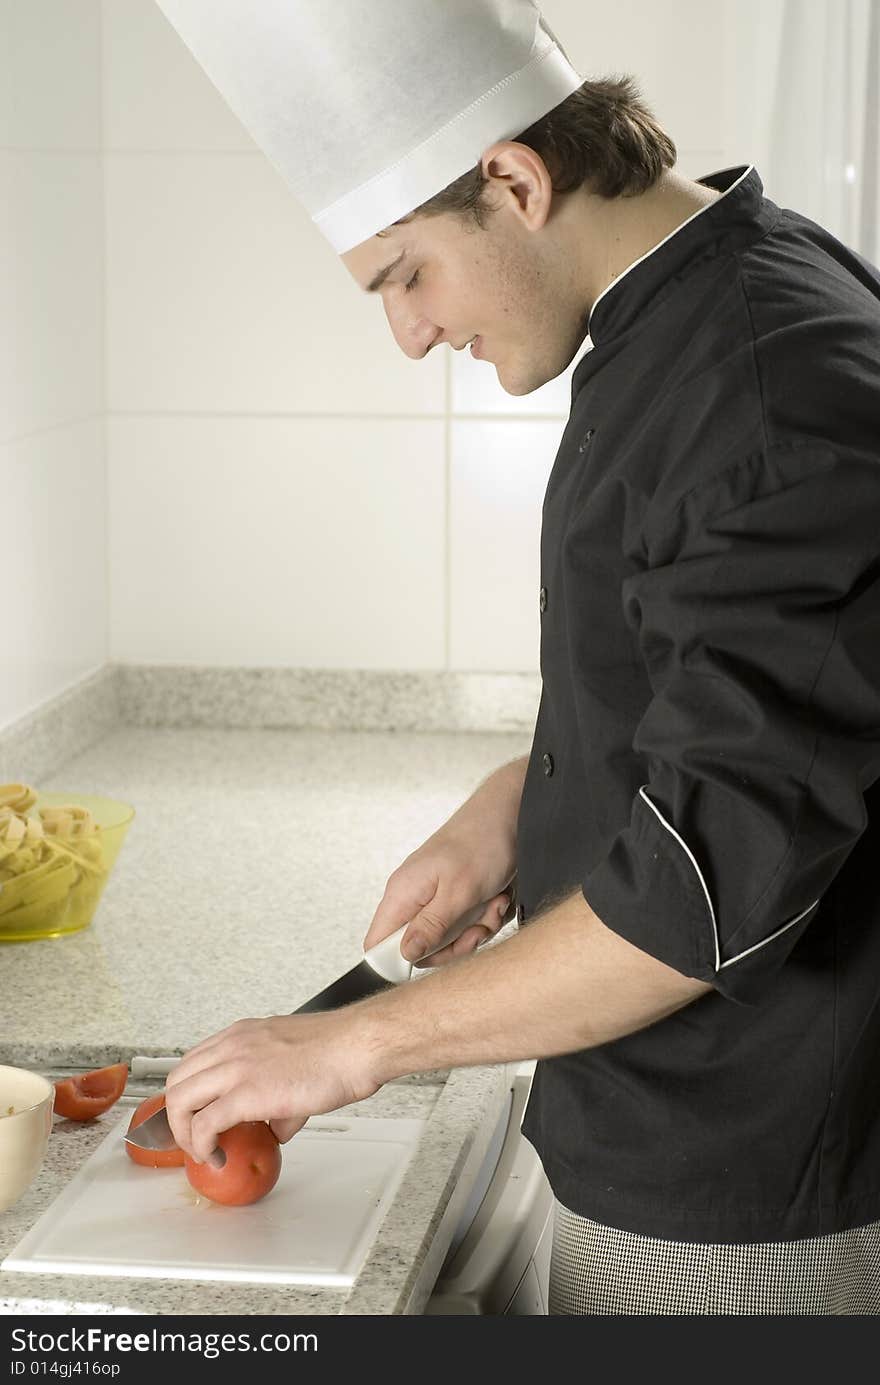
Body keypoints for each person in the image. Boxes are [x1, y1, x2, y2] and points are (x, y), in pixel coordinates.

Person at [154, 0, 880, 1313]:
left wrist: (349, 1044)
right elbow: (737, 705)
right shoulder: (680, 321)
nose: (410, 332)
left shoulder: (771, 387)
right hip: (668, 1129)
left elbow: (702, 896)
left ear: (513, 180)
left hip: (739, 1196)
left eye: (405, 276)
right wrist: (523, 806)